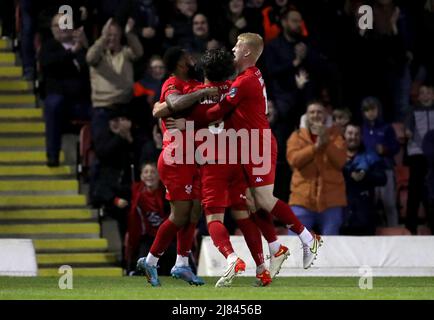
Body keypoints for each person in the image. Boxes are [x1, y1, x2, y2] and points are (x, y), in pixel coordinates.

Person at [168, 33, 323, 280]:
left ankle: (307, 237)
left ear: (247, 53)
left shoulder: (244, 83)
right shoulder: (247, 77)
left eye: (237, 46)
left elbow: (216, 112)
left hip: (257, 145)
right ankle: (274, 250)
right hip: (248, 145)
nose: (233, 49)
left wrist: (185, 120)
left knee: (263, 199)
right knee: (251, 202)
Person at [137, 47, 217, 287]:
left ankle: (181, 264)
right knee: (180, 214)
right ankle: (150, 260)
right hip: (175, 157)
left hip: (193, 158)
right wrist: (202, 94)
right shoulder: (172, 82)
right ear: (179, 63)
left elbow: (170, 107)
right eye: (187, 57)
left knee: (194, 211)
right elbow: (172, 102)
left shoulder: (193, 83)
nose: (192, 59)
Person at [286, 101, 348, 235]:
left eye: (319, 112)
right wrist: (315, 148)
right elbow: (294, 160)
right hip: (301, 199)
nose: (316, 115)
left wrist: (326, 142)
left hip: (331, 201)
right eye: (312, 112)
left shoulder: (336, 136)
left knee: (331, 247)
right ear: (307, 116)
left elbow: (341, 161)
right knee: (295, 243)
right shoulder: (296, 136)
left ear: (326, 115)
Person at [39, 13, 91, 167]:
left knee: (103, 112)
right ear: (52, 29)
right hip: (59, 96)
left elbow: (92, 67)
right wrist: (71, 53)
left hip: (82, 100)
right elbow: (49, 63)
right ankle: (53, 155)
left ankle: (91, 163)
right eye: (59, 25)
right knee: (53, 105)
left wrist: (85, 46)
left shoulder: (83, 47)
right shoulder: (48, 46)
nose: (63, 29)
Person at [91, 109, 135, 268]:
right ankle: (125, 258)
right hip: (110, 195)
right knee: (123, 213)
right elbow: (105, 154)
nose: (119, 124)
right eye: (115, 120)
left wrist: (128, 138)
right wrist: (119, 136)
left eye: (122, 119)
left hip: (128, 191)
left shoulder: (133, 140)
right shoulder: (105, 141)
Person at [86, 17, 143, 138]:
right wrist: (103, 38)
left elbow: (139, 53)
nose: (112, 38)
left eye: (115, 35)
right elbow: (89, 58)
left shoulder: (125, 53)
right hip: (103, 108)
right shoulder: (98, 55)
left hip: (125, 106)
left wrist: (129, 34)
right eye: (109, 35)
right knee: (104, 147)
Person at [124, 162, 173, 275]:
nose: (149, 175)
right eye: (146, 172)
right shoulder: (137, 193)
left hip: (166, 237)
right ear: (141, 176)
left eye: (153, 172)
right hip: (147, 237)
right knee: (143, 258)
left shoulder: (167, 193)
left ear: (159, 175)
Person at [361, 97, 401, 227]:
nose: (370, 113)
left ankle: (394, 231)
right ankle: (372, 235)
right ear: (363, 112)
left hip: (385, 169)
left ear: (378, 110)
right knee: (369, 205)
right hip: (368, 171)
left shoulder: (387, 128)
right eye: (367, 110)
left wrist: (385, 149)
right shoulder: (362, 129)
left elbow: (396, 147)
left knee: (389, 204)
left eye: (373, 109)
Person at [342, 124, 387, 235]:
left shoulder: (371, 156)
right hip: (340, 213)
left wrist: (365, 175)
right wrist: (348, 174)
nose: (353, 137)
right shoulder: (335, 154)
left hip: (365, 214)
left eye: (357, 134)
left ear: (361, 137)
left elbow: (383, 178)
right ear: (344, 135)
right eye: (350, 133)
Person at [404, 84, 434, 234]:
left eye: (428, 92)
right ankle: (411, 227)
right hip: (417, 154)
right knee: (414, 190)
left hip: (433, 156)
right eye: (422, 93)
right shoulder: (412, 110)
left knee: (432, 190)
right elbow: (408, 130)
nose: (425, 95)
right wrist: (407, 131)